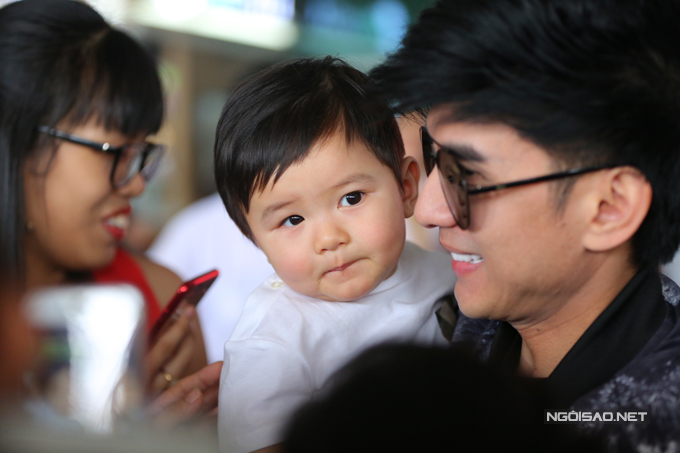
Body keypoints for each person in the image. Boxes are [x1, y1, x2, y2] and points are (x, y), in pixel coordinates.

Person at [370, 0, 680, 450]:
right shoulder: (450, 326)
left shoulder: (652, 430)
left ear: (608, 207)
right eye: (434, 157)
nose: (428, 211)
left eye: (467, 175)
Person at [213, 57, 456, 452]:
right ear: (255, 239)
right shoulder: (272, 342)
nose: (329, 238)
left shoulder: (449, 274)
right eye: (292, 220)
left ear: (406, 187)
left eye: (351, 198)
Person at [0, 0, 215, 421]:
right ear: (17, 145)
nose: (136, 184)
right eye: (114, 151)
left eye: (141, 154)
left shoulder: (158, 304)